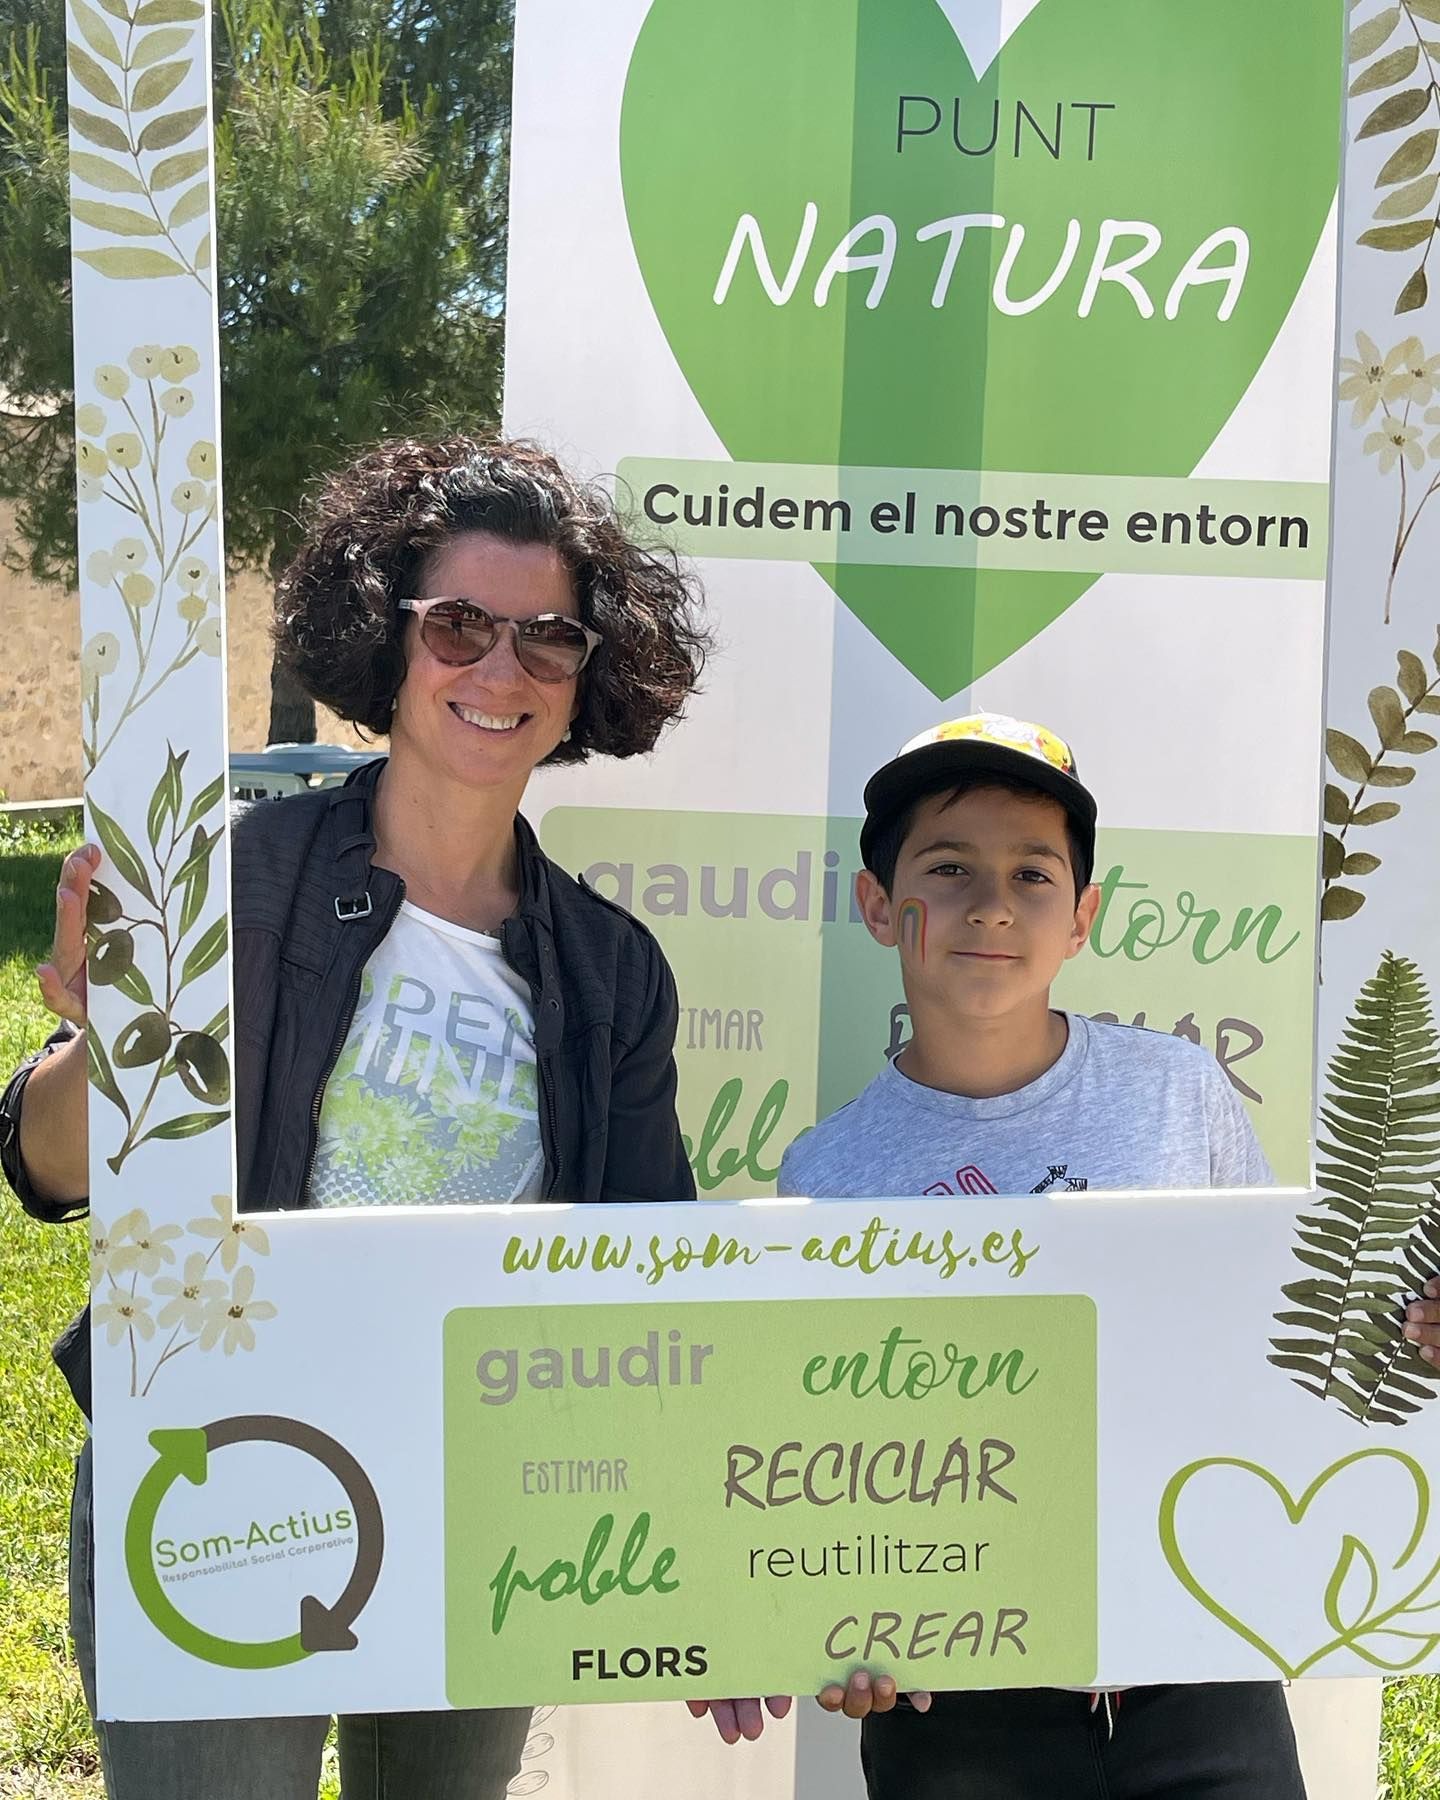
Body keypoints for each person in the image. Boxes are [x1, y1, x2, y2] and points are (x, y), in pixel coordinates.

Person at [0, 436, 709, 1800]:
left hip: (482, 1497)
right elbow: (47, 1166)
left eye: (548, 639)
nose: (500, 670)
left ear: (588, 676)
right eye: (459, 625)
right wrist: (111, 1046)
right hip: (221, 1476)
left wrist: (698, 1575)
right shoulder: (230, 880)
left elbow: (646, 1277)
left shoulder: (612, 972)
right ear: (386, 640)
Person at [692, 710, 1321, 1797]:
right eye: (947, 868)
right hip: (959, 1712)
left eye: (1034, 874)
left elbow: (1274, 1345)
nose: (991, 904)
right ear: (879, 905)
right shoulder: (826, 1175)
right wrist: (824, 1621)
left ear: (1082, 918)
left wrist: (1398, 1338)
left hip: (1204, 1676)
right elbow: (823, 1460)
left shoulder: (1180, 1092)